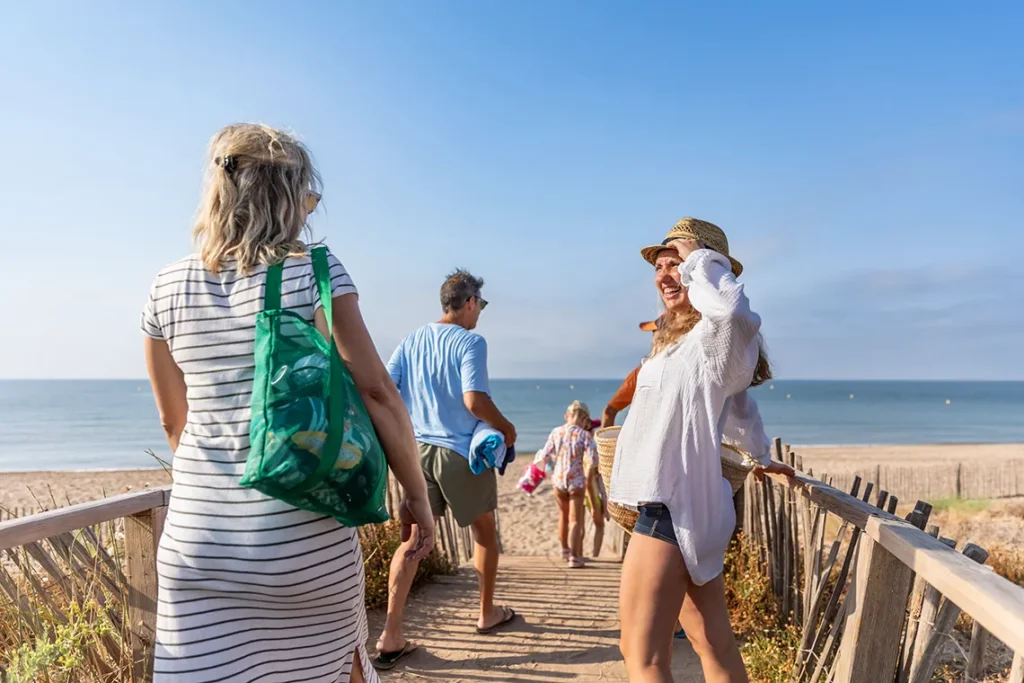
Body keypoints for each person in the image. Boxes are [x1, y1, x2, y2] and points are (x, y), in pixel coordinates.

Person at [141, 123, 434, 683]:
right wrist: (415, 495)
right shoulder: (315, 271)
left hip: (198, 544)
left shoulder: (166, 286)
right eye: (308, 198)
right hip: (302, 543)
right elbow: (376, 391)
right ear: (286, 197)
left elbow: (173, 423)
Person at [609, 218, 794, 683]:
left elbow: (732, 314)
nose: (665, 274)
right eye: (660, 266)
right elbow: (739, 411)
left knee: (641, 655)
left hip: (670, 507)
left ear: (707, 269)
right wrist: (760, 456)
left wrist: (700, 259)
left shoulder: (719, 337)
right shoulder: (684, 342)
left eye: (677, 263)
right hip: (682, 507)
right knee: (713, 645)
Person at [375, 270, 518, 670]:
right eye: (481, 305)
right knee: (484, 535)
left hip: (416, 454)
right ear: (469, 302)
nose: (480, 312)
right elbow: (474, 401)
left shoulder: (412, 339)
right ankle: (487, 613)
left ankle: (390, 634)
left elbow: (386, 389)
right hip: (458, 454)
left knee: (413, 541)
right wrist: (506, 429)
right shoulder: (471, 341)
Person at [535, 401, 600, 567]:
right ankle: (574, 556)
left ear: (566, 416)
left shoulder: (556, 432)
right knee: (575, 520)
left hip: (558, 479)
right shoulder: (584, 435)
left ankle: (564, 549)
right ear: (585, 419)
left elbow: (545, 454)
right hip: (576, 479)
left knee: (563, 516)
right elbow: (593, 459)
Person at [601, 320, 659, 428]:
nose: (653, 337)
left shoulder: (642, 373)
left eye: (655, 332)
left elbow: (609, 412)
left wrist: (606, 438)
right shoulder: (688, 369)